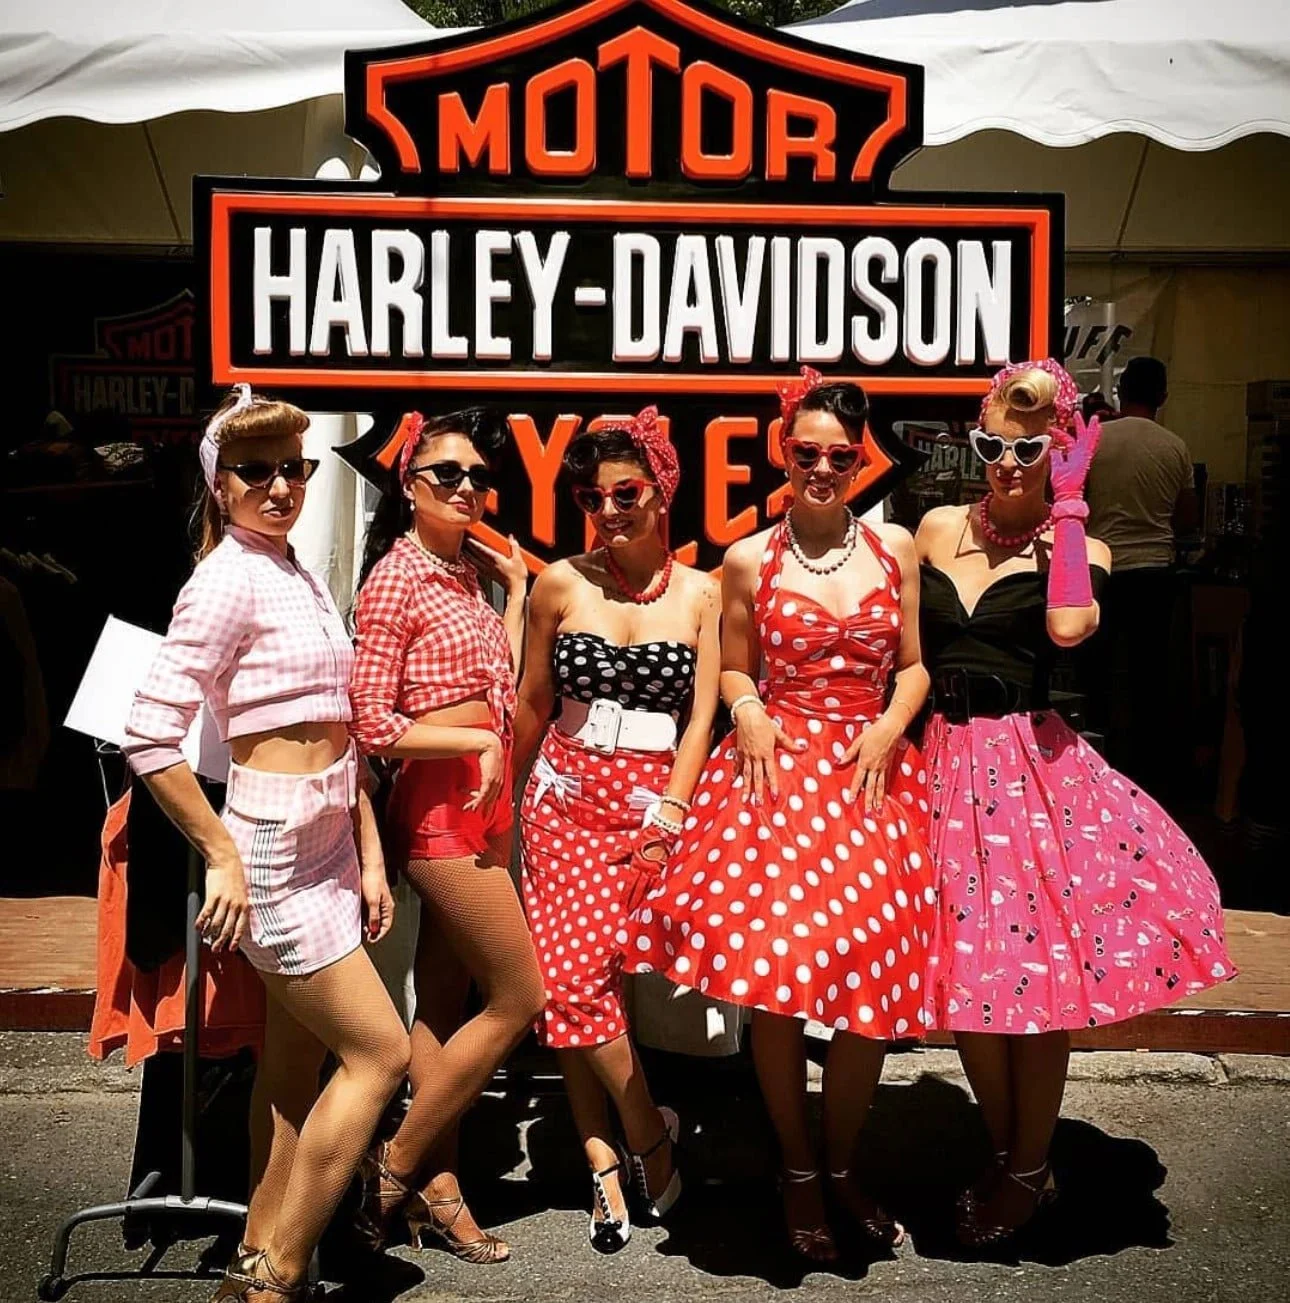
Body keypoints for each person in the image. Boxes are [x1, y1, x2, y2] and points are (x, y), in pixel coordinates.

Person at [915, 359, 1234, 1247]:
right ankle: (1011, 1149)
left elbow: (1065, 629)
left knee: (1034, 975)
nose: (1004, 462)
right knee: (965, 975)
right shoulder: (935, 526)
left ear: (1058, 451)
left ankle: (1027, 1167)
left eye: (1027, 447)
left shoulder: (1078, 547)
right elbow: (901, 652)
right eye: (990, 444)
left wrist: (1068, 505)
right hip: (940, 763)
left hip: (1026, 766)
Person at [622, 371, 935, 1263]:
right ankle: (796, 1167)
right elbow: (731, 667)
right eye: (808, 451)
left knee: (872, 992)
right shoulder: (749, 558)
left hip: (869, 781)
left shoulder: (896, 549)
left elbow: (912, 665)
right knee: (777, 977)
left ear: (862, 456)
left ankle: (840, 1165)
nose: (824, 466)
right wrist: (748, 706)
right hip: (777, 778)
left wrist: (885, 726)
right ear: (783, 452)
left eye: (841, 452)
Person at [122, 385, 409, 1303]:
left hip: (327, 840)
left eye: (295, 466)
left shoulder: (295, 570)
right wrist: (222, 851)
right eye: (256, 470)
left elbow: (341, 727)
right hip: (276, 848)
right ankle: (280, 1271)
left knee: (291, 1071)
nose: (281, 485)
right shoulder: (225, 578)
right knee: (381, 1054)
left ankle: (255, 1256)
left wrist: (365, 849)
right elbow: (150, 734)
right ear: (219, 483)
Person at [511, 407, 719, 1252]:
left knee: (594, 980)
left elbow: (702, 718)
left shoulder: (703, 593)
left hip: (653, 807)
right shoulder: (559, 583)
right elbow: (529, 704)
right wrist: (498, 803)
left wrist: (671, 808)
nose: (610, 510)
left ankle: (609, 1155)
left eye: (626, 492)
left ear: (662, 489)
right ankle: (634, 1140)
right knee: (568, 982)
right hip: (561, 799)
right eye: (594, 497)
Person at [349, 407, 545, 1263]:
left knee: (447, 1006)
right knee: (520, 996)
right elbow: (367, 719)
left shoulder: (463, 572)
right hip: (436, 809)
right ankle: (389, 1166)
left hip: (484, 803)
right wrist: (468, 741)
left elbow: (495, 687)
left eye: (476, 476)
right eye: (445, 475)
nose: (466, 487)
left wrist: (520, 596)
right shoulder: (394, 579)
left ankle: (440, 1188)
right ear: (409, 484)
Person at [1083, 356, 1197, 788]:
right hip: (1154, 571)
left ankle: (1092, 758)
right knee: (1149, 675)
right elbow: (1187, 519)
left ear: (1121, 392)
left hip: (1101, 569)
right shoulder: (1175, 447)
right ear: (1163, 397)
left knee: (1094, 672)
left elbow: (1073, 502)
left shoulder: (1096, 442)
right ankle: (1148, 772)